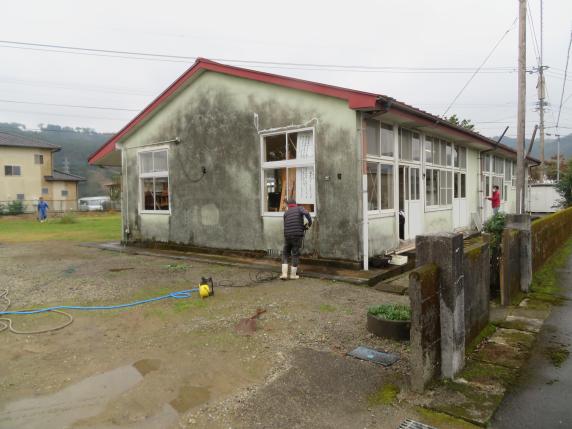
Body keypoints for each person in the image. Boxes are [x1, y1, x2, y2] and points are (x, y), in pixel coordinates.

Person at [281, 198, 312, 280]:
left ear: (288, 205)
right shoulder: (299, 208)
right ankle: (293, 275)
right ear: (295, 204)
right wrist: (309, 223)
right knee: (295, 253)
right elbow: (307, 213)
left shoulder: (286, 213)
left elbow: (285, 224)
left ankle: (284, 274)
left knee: (285, 253)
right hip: (297, 236)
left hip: (287, 235)